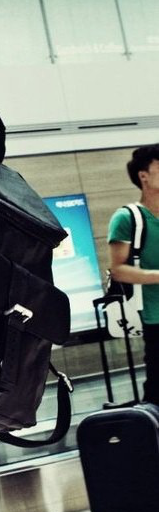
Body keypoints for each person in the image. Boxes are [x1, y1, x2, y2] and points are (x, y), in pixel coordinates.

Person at [108, 144, 159, 404]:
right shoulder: (128, 218)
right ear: (144, 176)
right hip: (155, 316)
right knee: (158, 388)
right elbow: (118, 270)